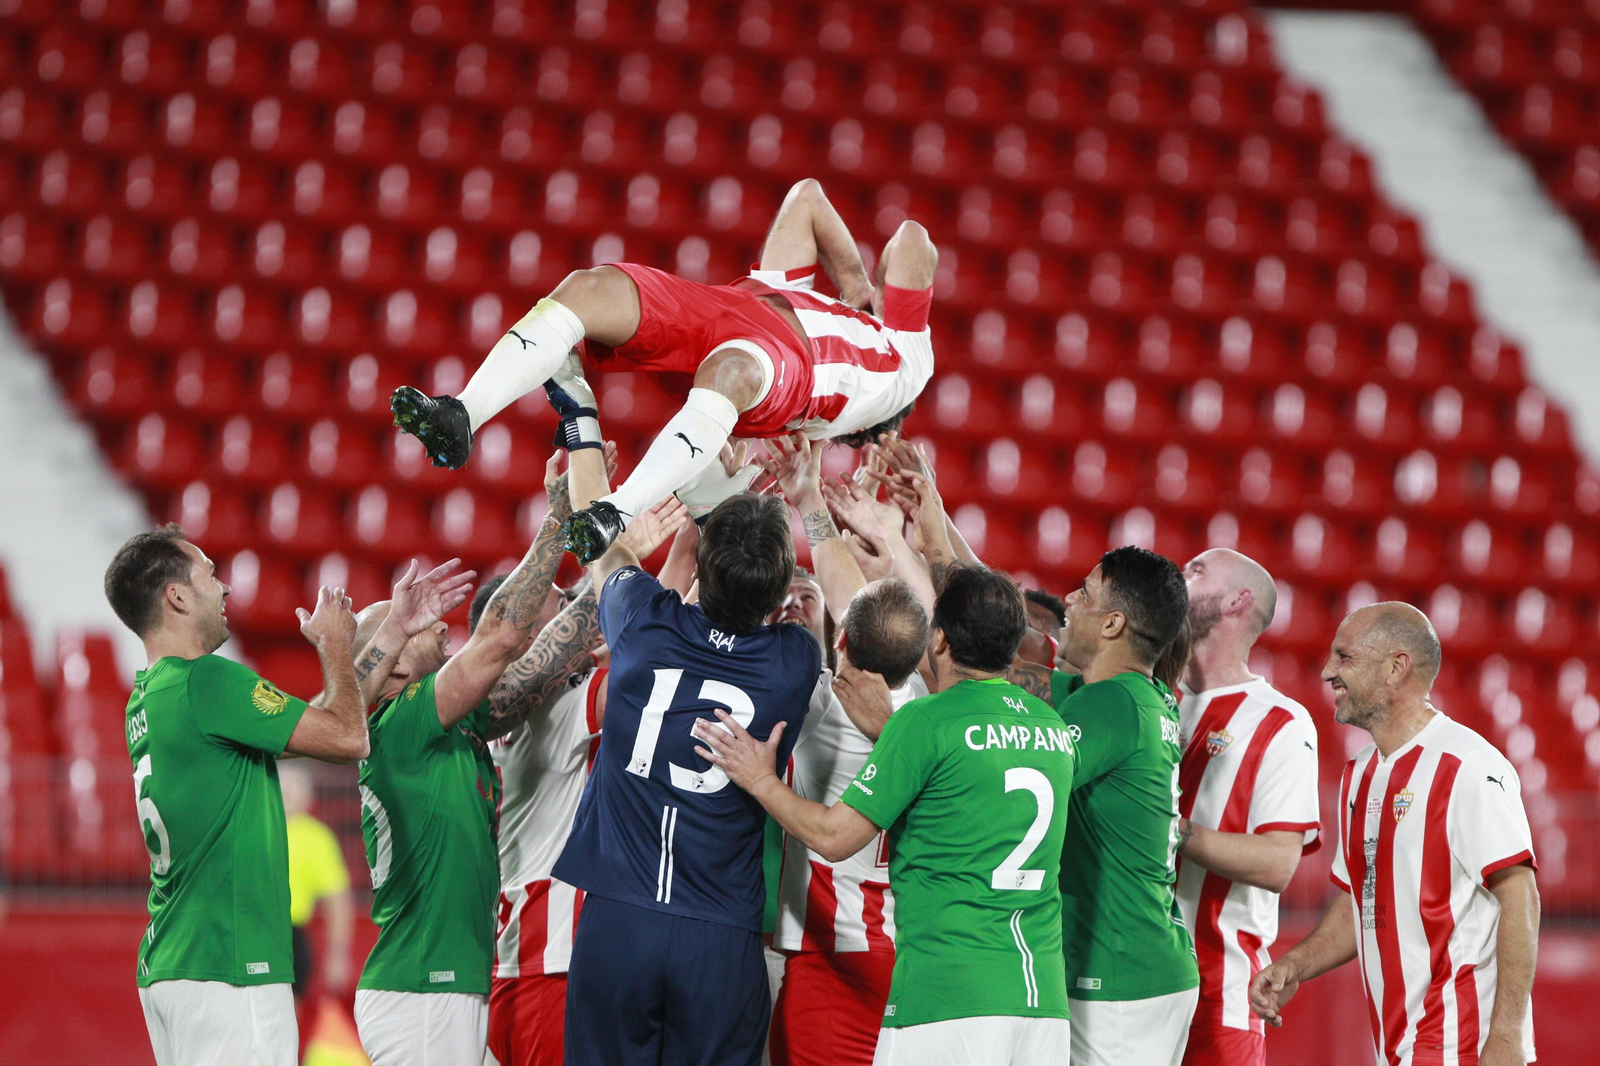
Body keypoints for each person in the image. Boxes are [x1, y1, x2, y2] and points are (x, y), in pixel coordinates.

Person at [389, 177, 938, 563]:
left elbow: (911, 239)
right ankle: (462, 415)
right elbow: (807, 199)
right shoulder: (805, 297)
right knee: (592, 286)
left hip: (793, 373)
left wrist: (863, 294)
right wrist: (853, 291)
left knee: (733, 369)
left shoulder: (907, 367)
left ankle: (616, 512)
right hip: (729, 315)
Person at [105, 524, 459, 1066]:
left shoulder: (151, 697)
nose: (224, 589)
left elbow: (318, 725)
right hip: (230, 963)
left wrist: (388, 634)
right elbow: (348, 737)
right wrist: (336, 643)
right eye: (210, 574)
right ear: (176, 595)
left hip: (173, 964)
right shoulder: (209, 681)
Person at [696, 564, 1076, 1066]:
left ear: (937, 640)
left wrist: (762, 779)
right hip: (1040, 992)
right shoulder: (1051, 726)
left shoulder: (914, 720)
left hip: (924, 975)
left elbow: (834, 837)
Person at [351, 458, 639, 1065]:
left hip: (452, 981)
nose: (438, 628)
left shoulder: (456, 726)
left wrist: (616, 564)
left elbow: (530, 664)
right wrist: (569, 518)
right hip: (425, 987)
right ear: (396, 669)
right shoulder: (401, 724)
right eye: (414, 628)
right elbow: (503, 637)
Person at [551, 428, 822, 1066]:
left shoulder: (643, 623)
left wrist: (579, 416)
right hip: (720, 930)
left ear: (698, 566)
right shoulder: (795, 661)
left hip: (620, 916)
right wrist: (775, 500)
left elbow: (600, 533)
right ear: (781, 587)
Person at [1250, 604, 1539, 1066]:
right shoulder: (1357, 775)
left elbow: (1520, 895)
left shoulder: (1468, 765)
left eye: (1344, 658)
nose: (1328, 672)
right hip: (1395, 1046)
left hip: (1461, 1044)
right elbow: (1360, 902)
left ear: (1396, 667)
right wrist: (1294, 966)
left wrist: (1505, 1036)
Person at [482, 497, 685, 1066]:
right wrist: (680, 545)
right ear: (527, 646)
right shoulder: (551, 713)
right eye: (559, 617)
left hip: (523, 963)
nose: (572, 627)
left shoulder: (497, 717)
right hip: (553, 964)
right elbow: (654, 653)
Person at [762, 433, 934, 1066]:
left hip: (834, 951)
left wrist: (807, 497)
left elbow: (841, 591)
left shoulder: (820, 698)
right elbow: (852, 598)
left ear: (843, 644)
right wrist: (896, 539)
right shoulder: (932, 707)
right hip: (912, 946)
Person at [1048, 547, 1200, 1066]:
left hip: (1117, 968)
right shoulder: (1145, 696)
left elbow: (1018, 786)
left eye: (1084, 592)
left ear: (1113, 623)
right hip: (1147, 958)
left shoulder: (1108, 703)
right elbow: (985, 625)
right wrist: (932, 522)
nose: (1069, 598)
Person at [1171, 549, 1321, 1066]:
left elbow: (1278, 864)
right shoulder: (1147, 696)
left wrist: (1171, 830)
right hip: (1129, 988)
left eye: (1195, 572)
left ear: (1237, 600)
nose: (1178, 577)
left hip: (1219, 997)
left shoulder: (1282, 721)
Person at [280, 761, 353, 1051]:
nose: (287, 792)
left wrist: (338, 954)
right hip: (249, 931)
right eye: (281, 783)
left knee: (285, 1022)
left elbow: (337, 899)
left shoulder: (317, 837)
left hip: (291, 937)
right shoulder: (250, 827)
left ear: (308, 795)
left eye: (295, 785)